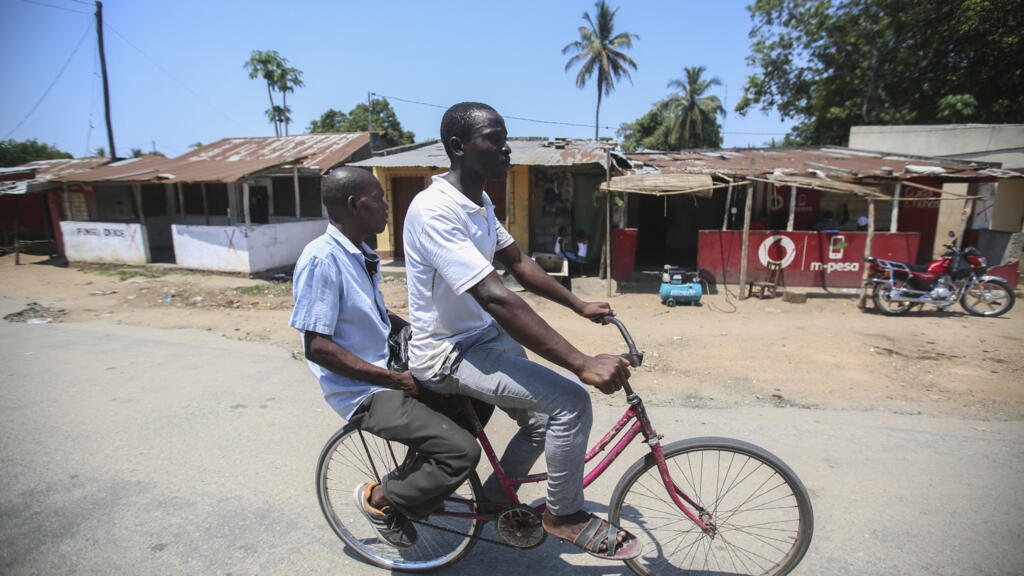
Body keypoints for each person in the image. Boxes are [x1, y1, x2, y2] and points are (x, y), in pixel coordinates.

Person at [402, 102, 640, 560]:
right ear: (458, 147)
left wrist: (579, 304)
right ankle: (564, 515)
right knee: (571, 400)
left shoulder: (481, 202)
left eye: (504, 135)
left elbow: (518, 263)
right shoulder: (434, 210)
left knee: (544, 422)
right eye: (494, 137)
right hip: (446, 352)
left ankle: (493, 501)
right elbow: (496, 296)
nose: (506, 146)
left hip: (483, 337)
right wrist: (581, 362)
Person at [289, 167, 481, 550]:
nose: (387, 205)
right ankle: (381, 501)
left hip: (385, 371)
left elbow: (374, 316)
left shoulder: (361, 253)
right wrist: (394, 380)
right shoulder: (321, 260)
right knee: (463, 451)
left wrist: (418, 332)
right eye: (378, 197)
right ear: (353, 205)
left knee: (475, 399)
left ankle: (413, 480)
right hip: (364, 390)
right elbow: (317, 347)